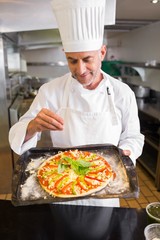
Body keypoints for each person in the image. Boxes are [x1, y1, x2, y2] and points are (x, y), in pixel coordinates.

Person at [9, 0, 144, 207]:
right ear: (65, 55)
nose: (80, 70)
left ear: (102, 53)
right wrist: (32, 126)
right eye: (72, 60)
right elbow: (17, 135)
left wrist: (125, 153)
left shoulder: (122, 93)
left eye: (87, 59)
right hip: (60, 181)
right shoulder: (50, 90)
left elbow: (133, 136)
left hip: (105, 188)